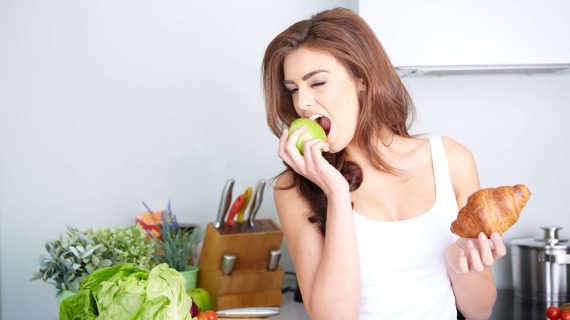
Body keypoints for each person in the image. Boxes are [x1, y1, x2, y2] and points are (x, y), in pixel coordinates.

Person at [261, 7, 506, 320]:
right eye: (293, 89)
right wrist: (336, 194)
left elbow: (480, 310)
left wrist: (462, 266)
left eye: (317, 83)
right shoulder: (294, 188)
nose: (302, 103)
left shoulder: (451, 161)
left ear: (361, 79)